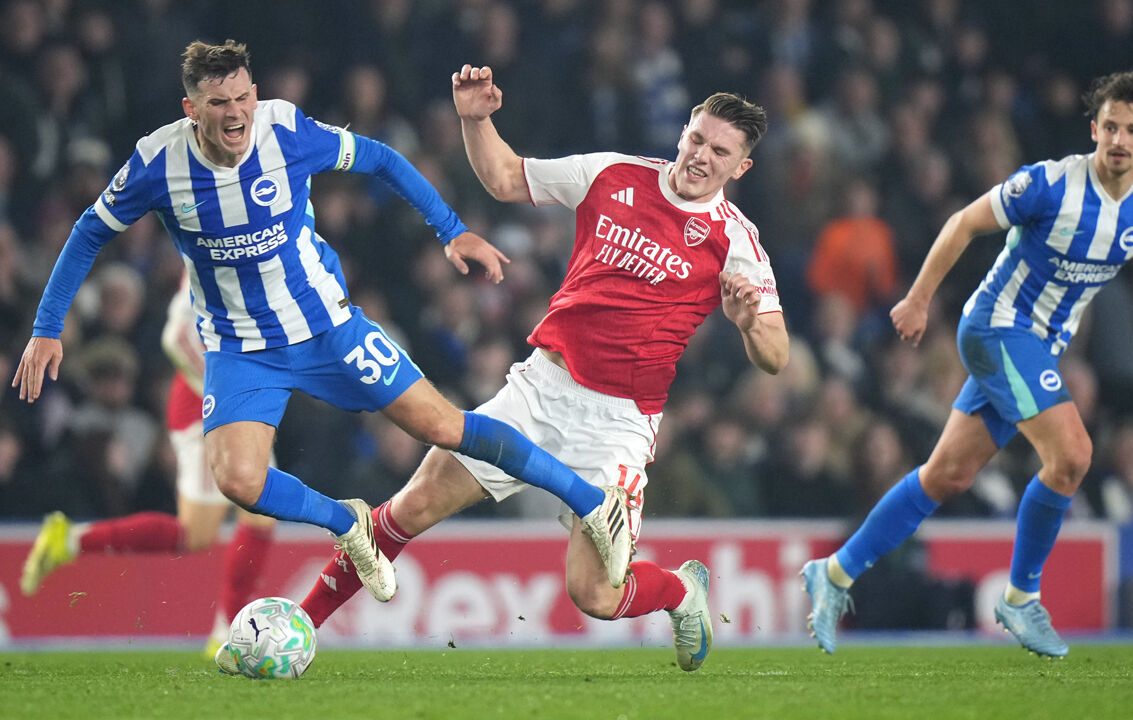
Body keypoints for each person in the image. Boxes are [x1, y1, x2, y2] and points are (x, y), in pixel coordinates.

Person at [9, 40, 631, 668]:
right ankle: (347, 523)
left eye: (243, 97)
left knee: (443, 425)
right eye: (218, 102)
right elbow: (90, 229)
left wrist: (451, 229)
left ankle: (590, 503)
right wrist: (47, 326)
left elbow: (382, 159)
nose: (236, 114)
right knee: (238, 481)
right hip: (241, 347)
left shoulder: (286, 129)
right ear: (190, 108)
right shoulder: (157, 162)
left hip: (329, 328)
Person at [296, 64, 789, 673]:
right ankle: (301, 626)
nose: (700, 156)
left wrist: (746, 321)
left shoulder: (736, 241)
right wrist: (476, 120)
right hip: (540, 388)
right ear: (683, 131)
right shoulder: (611, 174)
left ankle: (682, 592)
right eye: (697, 139)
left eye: (720, 151)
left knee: (595, 595)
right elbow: (505, 178)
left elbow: (776, 357)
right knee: (411, 504)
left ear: (740, 167)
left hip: (618, 424)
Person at [801, 71, 1133, 658]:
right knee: (1072, 455)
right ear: (1094, 129)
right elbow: (964, 222)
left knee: (947, 475)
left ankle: (834, 574)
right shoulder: (1048, 185)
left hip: (1039, 346)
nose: (1119, 139)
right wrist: (917, 298)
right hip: (996, 327)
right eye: (1110, 127)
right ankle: (1021, 598)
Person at [20, 278, 277, 659]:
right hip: (209, 413)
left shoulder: (252, 241)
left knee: (258, 516)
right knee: (199, 533)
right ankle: (71, 540)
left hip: (232, 406)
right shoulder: (214, 245)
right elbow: (178, 337)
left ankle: (227, 632)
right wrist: (222, 397)